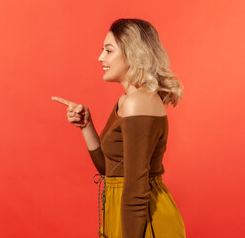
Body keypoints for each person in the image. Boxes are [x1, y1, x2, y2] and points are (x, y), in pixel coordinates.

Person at [51, 18, 186, 238]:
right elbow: (110, 171)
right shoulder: (127, 101)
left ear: (133, 54)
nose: (100, 57)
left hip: (145, 221)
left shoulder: (139, 103)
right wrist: (87, 126)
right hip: (124, 216)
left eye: (108, 50)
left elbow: (136, 189)